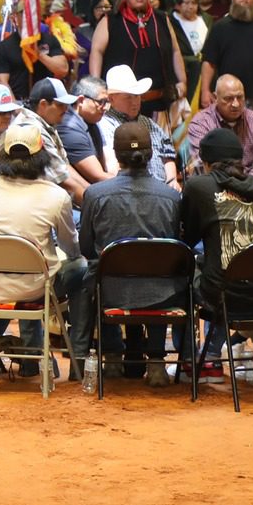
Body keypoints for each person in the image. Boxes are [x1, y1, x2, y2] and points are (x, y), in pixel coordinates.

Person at [0, 127, 88, 378]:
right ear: (43, 156)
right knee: (79, 268)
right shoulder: (56, 196)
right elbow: (72, 248)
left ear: (2, 156)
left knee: (33, 265)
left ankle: (24, 355)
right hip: (34, 287)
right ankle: (77, 356)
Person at [80, 120, 188, 383]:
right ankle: (156, 364)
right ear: (151, 154)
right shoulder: (171, 196)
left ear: (116, 156)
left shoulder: (95, 194)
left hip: (111, 292)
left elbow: (86, 247)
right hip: (163, 293)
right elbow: (172, 245)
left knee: (94, 272)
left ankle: (113, 358)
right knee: (159, 273)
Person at [180, 127, 253, 370]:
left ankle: (194, 360)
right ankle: (214, 356)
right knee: (224, 268)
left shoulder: (199, 186)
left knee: (184, 275)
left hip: (226, 295)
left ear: (206, 161)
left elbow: (187, 239)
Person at [89, 0, 185, 120]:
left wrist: (182, 81)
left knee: (159, 141)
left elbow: (175, 50)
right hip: (122, 103)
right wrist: (97, 86)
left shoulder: (162, 18)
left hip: (159, 101)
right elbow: (97, 51)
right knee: (127, 141)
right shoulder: (111, 20)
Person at [94, 66, 178, 182]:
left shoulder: (148, 122)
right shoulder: (105, 124)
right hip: (131, 188)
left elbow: (167, 153)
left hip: (162, 187)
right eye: (128, 97)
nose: (134, 102)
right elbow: (113, 168)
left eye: (137, 96)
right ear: (112, 99)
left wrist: (172, 180)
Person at [183, 73, 253, 172]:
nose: (235, 104)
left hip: (252, 182)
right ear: (215, 98)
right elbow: (203, 164)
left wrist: (248, 183)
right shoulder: (201, 123)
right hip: (215, 183)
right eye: (228, 98)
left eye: (240, 97)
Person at [27, 77, 99, 195]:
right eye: (60, 104)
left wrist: (92, 193)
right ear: (43, 104)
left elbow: (64, 167)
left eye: (67, 105)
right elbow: (64, 181)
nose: (66, 109)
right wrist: (96, 205)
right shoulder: (33, 129)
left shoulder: (47, 123)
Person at [173, 0, 210, 108]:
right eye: (186, 2)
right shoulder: (171, 21)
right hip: (184, 75)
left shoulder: (207, 19)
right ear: (178, 4)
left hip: (206, 75)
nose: (190, 6)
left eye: (194, 3)